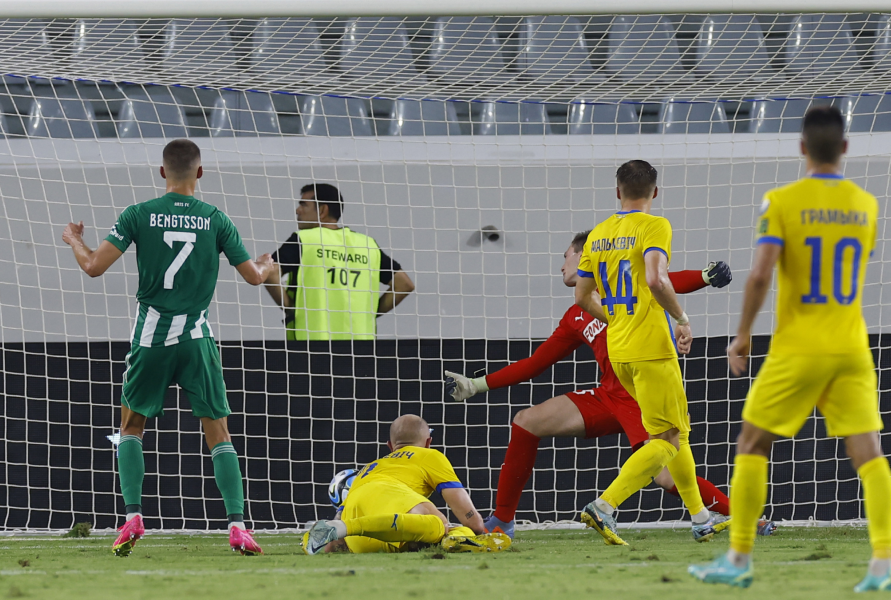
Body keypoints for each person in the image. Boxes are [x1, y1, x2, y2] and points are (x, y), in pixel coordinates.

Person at [445, 232, 766, 541]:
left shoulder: (623, 291)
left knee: (666, 473)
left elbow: (665, 281)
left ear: (585, 256)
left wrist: (705, 276)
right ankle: (502, 519)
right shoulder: (577, 313)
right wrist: (478, 385)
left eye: (566, 256)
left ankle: (745, 518)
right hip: (608, 395)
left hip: (642, 396)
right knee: (527, 421)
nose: (561, 266)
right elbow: (535, 364)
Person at [690, 107, 891, 591]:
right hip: (850, 345)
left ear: (802, 148)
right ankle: (883, 565)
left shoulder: (781, 201)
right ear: (845, 148)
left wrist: (741, 335)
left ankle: (738, 559)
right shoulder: (866, 205)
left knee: (753, 444)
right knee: (868, 453)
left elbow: (761, 274)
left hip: (799, 347)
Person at [61, 139, 274, 557]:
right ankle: (237, 525)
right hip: (196, 340)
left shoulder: (138, 214)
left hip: (151, 338)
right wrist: (267, 265)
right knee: (219, 435)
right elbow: (253, 277)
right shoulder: (216, 219)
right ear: (200, 173)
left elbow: (92, 267)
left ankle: (133, 517)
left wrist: (73, 239)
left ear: (162, 173)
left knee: (131, 429)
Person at [573, 160, 723, 546]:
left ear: (617, 190)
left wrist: (619, 318)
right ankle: (604, 506)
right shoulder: (655, 225)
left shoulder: (599, 234)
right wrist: (682, 319)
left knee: (676, 433)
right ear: (654, 192)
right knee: (666, 439)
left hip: (620, 349)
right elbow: (656, 279)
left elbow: (581, 295)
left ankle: (701, 518)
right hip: (652, 349)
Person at [302, 414, 510, 555]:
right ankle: (455, 537)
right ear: (428, 442)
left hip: (361, 542)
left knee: (426, 539)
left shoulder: (369, 467)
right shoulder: (429, 455)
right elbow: (468, 515)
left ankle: (341, 528)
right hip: (384, 515)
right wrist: (480, 531)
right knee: (438, 523)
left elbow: (337, 533)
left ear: (390, 446)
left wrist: (311, 541)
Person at [264, 183, 415, 340]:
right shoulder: (367, 245)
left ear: (323, 210)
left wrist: (291, 309)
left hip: (311, 345)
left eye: (303, 204)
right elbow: (404, 285)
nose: (297, 210)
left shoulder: (304, 240)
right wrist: (369, 313)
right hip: (362, 345)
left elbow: (270, 271)